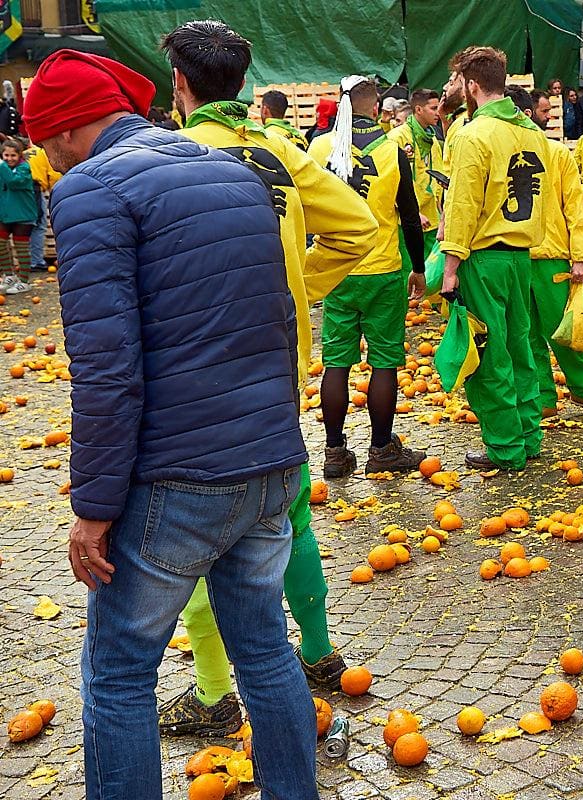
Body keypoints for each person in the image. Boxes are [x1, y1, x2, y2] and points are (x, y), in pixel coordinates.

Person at [25, 49, 322, 799]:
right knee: (265, 652)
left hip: (178, 478)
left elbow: (106, 368)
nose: (46, 160)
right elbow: (280, 316)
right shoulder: (234, 171)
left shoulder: (90, 190)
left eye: (42, 143)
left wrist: (94, 509)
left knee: (119, 672)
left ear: (64, 131)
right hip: (267, 463)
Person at [163, 20, 379, 723]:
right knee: (289, 510)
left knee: (191, 527)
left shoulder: (170, 156)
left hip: (197, 370)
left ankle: (214, 692)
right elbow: (358, 228)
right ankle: (318, 651)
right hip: (279, 362)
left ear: (180, 83)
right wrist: (296, 288)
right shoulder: (278, 149)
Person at [308, 76, 429, 478]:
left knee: (336, 362)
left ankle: (333, 452)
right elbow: (409, 217)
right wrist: (417, 267)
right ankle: (381, 450)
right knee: (384, 362)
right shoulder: (393, 150)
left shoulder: (321, 147)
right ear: (376, 108)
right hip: (382, 271)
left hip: (336, 271)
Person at [440, 46, 549, 471]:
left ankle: (505, 447)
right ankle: (529, 435)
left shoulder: (474, 135)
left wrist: (450, 267)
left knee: (489, 355)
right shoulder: (532, 133)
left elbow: (462, 205)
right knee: (521, 348)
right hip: (522, 257)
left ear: (472, 86)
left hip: (483, 258)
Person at [510, 85, 583, 418]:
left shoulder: (557, 154)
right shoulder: (495, 153)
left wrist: (581, 257)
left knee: (564, 330)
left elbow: (576, 209)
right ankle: (543, 397)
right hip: (512, 256)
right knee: (525, 334)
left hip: (551, 257)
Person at [391, 87, 446, 258]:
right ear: (419, 109)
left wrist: (441, 211)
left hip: (433, 220)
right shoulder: (397, 137)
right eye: (433, 108)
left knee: (431, 271)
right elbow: (391, 182)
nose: (438, 113)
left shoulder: (433, 140)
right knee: (411, 269)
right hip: (408, 221)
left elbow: (438, 178)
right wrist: (413, 213)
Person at [0, 140, 39, 295]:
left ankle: (24, 281)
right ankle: (9, 275)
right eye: (6, 155)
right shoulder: (3, 168)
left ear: (19, 155)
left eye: (13, 155)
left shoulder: (24, 168)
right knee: (0, 243)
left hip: (23, 214)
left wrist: (2, 166)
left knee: (21, 248)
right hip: (5, 213)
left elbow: (13, 182)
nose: (9, 159)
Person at [25, 143, 60, 271]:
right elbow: (54, 174)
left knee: (24, 226)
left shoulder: (22, 154)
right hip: (36, 189)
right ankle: (36, 261)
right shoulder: (43, 153)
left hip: (21, 193)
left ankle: (28, 261)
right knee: (39, 225)